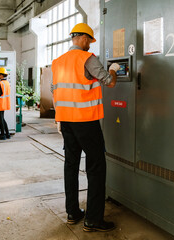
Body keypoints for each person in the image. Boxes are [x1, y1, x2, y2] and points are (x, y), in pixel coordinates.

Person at [51, 23, 120, 232]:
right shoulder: (87, 59)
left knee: (71, 165)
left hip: (66, 122)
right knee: (96, 166)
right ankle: (93, 219)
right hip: (86, 121)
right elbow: (109, 82)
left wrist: (58, 119)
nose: (90, 44)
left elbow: (55, 91)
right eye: (89, 40)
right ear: (82, 38)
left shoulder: (57, 62)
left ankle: (72, 212)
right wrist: (113, 70)